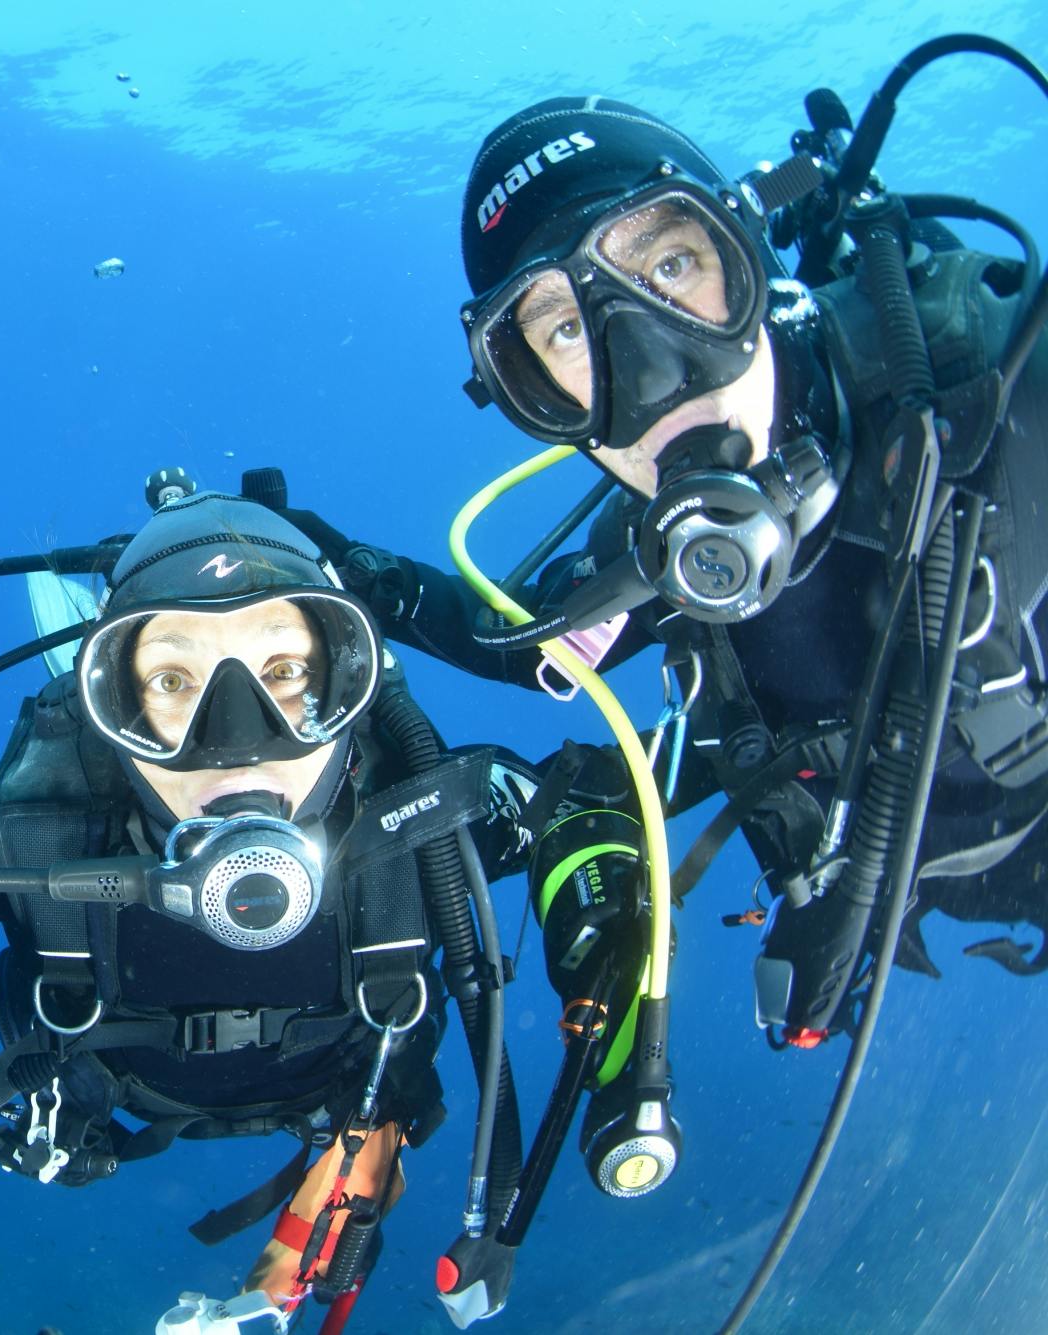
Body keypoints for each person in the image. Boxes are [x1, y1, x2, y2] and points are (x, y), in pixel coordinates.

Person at [307, 93, 1048, 1049]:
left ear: (747, 256)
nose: (656, 374)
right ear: (526, 390)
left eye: (670, 263)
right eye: (568, 332)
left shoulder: (1001, 387)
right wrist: (340, 567)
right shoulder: (654, 552)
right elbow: (522, 646)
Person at [0, 487, 561, 1331]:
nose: (237, 737)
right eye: (173, 679)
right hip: (125, 1096)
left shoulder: (428, 820)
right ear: (113, 714)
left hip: (350, 1100)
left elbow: (620, 799)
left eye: (283, 672)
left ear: (350, 679)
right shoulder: (41, 842)